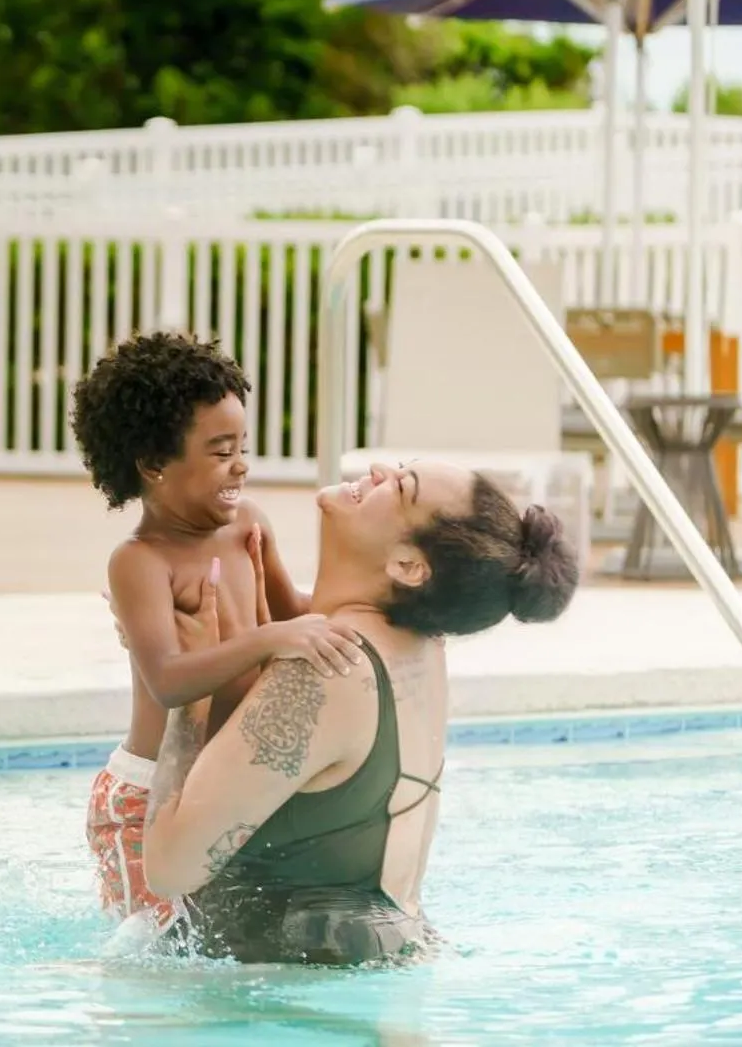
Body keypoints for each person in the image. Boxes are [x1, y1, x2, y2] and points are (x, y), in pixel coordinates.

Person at [139, 460, 580, 965]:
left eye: (401, 487)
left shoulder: (329, 670)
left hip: (285, 994)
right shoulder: (420, 644)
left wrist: (191, 687)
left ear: (408, 567)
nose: (377, 471)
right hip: (369, 965)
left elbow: (168, 868)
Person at [71, 333, 370, 930]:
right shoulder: (140, 562)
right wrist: (268, 640)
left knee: (219, 942)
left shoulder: (247, 525)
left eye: (243, 447)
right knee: (153, 949)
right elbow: (168, 679)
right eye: (220, 451)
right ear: (154, 465)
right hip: (144, 798)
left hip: (218, 784)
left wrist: (381, 605)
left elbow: (297, 613)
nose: (242, 464)